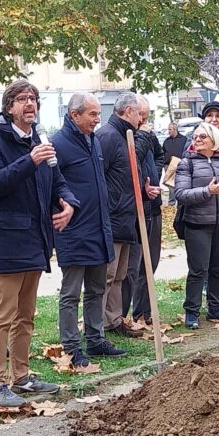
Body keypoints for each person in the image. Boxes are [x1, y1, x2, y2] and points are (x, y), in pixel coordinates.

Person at [0, 80, 79, 407]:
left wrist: (68, 202)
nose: (29, 104)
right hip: (6, 243)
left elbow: (57, 179)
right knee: (2, 315)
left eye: (33, 99)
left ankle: (20, 376)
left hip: (35, 240)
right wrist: (29, 161)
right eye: (22, 99)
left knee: (25, 315)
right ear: (9, 107)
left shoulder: (38, 139)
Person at [53, 93, 126, 368]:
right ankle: (71, 346)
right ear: (75, 115)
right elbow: (51, 186)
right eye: (92, 114)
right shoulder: (58, 144)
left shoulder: (93, 140)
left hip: (99, 228)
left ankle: (96, 339)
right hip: (73, 230)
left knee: (97, 288)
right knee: (71, 293)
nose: (98, 119)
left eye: (98, 114)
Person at [175, 123, 219, 328]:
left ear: (214, 140)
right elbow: (181, 194)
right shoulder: (186, 164)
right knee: (198, 270)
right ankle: (191, 312)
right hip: (197, 225)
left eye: (202, 137)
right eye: (195, 137)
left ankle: (215, 308)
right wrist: (207, 191)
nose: (197, 140)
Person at [95, 91, 147, 337]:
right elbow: (98, 177)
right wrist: (110, 207)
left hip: (127, 217)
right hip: (112, 218)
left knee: (119, 274)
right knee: (106, 274)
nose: (142, 119)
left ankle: (114, 319)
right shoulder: (107, 136)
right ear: (128, 112)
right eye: (139, 114)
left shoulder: (127, 136)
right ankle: (98, 325)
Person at [121, 95, 162, 325]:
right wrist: (144, 135)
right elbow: (131, 160)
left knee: (151, 262)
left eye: (147, 116)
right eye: (141, 116)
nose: (144, 120)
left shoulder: (148, 134)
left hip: (153, 206)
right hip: (135, 209)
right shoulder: (130, 136)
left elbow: (159, 155)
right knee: (132, 267)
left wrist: (153, 176)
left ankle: (143, 310)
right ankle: (123, 315)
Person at [162, 123, 185, 205]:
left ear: (175, 129)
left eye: (170, 129)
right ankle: (171, 201)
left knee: (180, 182)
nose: (168, 131)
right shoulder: (166, 141)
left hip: (180, 164)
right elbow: (163, 152)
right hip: (168, 165)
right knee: (169, 183)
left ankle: (181, 201)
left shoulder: (183, 139)